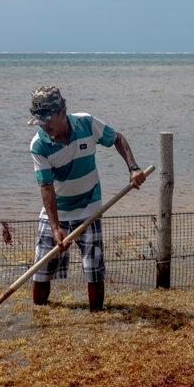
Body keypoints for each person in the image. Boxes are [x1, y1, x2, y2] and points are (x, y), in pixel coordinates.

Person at [27, 85, 147, 312]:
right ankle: (39, 315)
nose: (44, 125)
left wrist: (133, 168)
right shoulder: (39, 145)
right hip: (56, 213)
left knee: (94, 270)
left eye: (47, 119)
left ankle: (96, 316)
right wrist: (55, 229)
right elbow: (46, 188)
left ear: (63, 112)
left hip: (89, 210)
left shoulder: (86, 123)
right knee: (41, 271)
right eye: (38, 120)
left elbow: (117, 139)